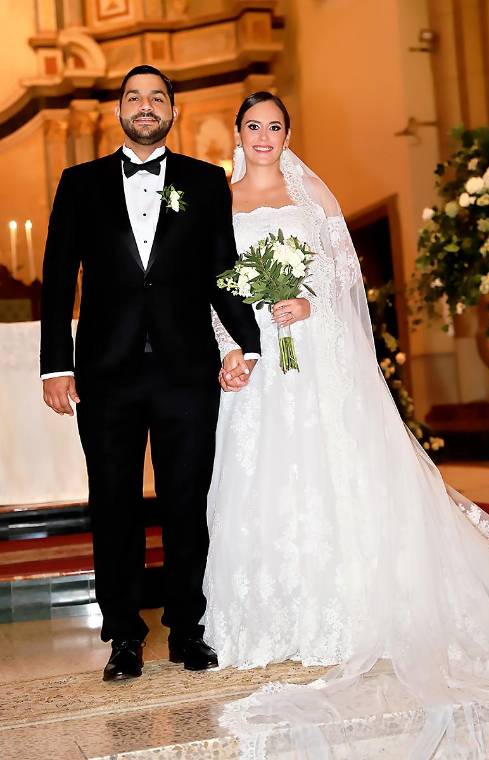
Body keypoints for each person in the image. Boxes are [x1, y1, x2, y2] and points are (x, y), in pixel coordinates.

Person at [203, 91, 489, 757]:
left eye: (274, 126)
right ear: (237, 135)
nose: (263, 135)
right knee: (261, 478)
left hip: (317, 355)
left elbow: (341, 276)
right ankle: (270, 621)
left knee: (336, 469)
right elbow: (209, 287)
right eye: (253, 126)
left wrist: (306, 301)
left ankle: (348, 612)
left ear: (288, 134)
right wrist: (229, 349)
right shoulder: (219, 202)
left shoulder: (311, 195)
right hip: (256, 365)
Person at [40, 65, 260, 682]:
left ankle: (188, 629)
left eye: (156, 98)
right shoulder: (79, 183)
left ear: (172, 111)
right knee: (113, 505)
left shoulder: (204, 181)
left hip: (185, 369)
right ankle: (123, 637)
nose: (145, 106)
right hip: (104, 372)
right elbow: (57, 279)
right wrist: (56, 364)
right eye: (134, 97)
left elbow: (223, 269)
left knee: (186, 501)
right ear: (118, 110)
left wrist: (247, 341)